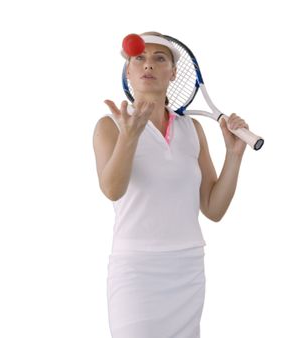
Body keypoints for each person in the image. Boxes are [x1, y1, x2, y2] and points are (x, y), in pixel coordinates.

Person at [92, 31, 249, 338]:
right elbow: (112, 189)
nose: (148, 64)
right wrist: (129, 137)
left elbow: (214, 209)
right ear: (128, 71)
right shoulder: (109, 126)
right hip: (135, 270)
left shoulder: (192, 130)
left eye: (159, 58)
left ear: (174, 72)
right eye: (139, 58)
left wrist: (233, 155)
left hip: (187, 268)